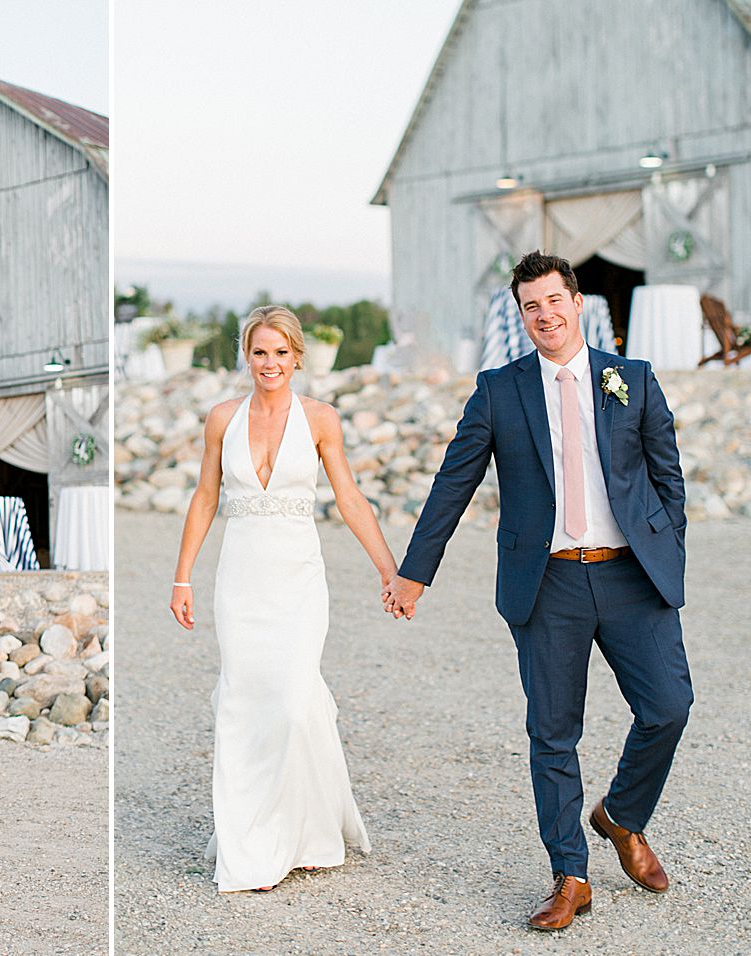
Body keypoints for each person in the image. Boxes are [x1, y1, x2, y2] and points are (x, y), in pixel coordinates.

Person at [384, 251, 692, 931]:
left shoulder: (630, 378)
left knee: (670, 706)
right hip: (547, 581)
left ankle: (622, 817)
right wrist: (415, 571)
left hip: (633, 576)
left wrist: (668, 549)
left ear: (578, 303)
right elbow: (452, 484)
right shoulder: (499, 390)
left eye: (554, 300)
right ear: (520, 316)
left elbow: (668, 476)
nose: (545, 315)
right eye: (531, 306)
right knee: (552, 732)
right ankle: (571, 875)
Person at [169, 306, 396, 892]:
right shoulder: (222, 418)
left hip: (298, 581)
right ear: (246, 355)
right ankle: (251, 844)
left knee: (295, 701)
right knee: (244, 704)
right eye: (260, 352)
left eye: (280, 352)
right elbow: (204, 498)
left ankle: (311, 830)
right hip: (239, 582)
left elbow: (349, 499)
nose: (270, 363)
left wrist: (389, 570)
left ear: (297, 357)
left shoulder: (321, 419)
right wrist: (182, 577)